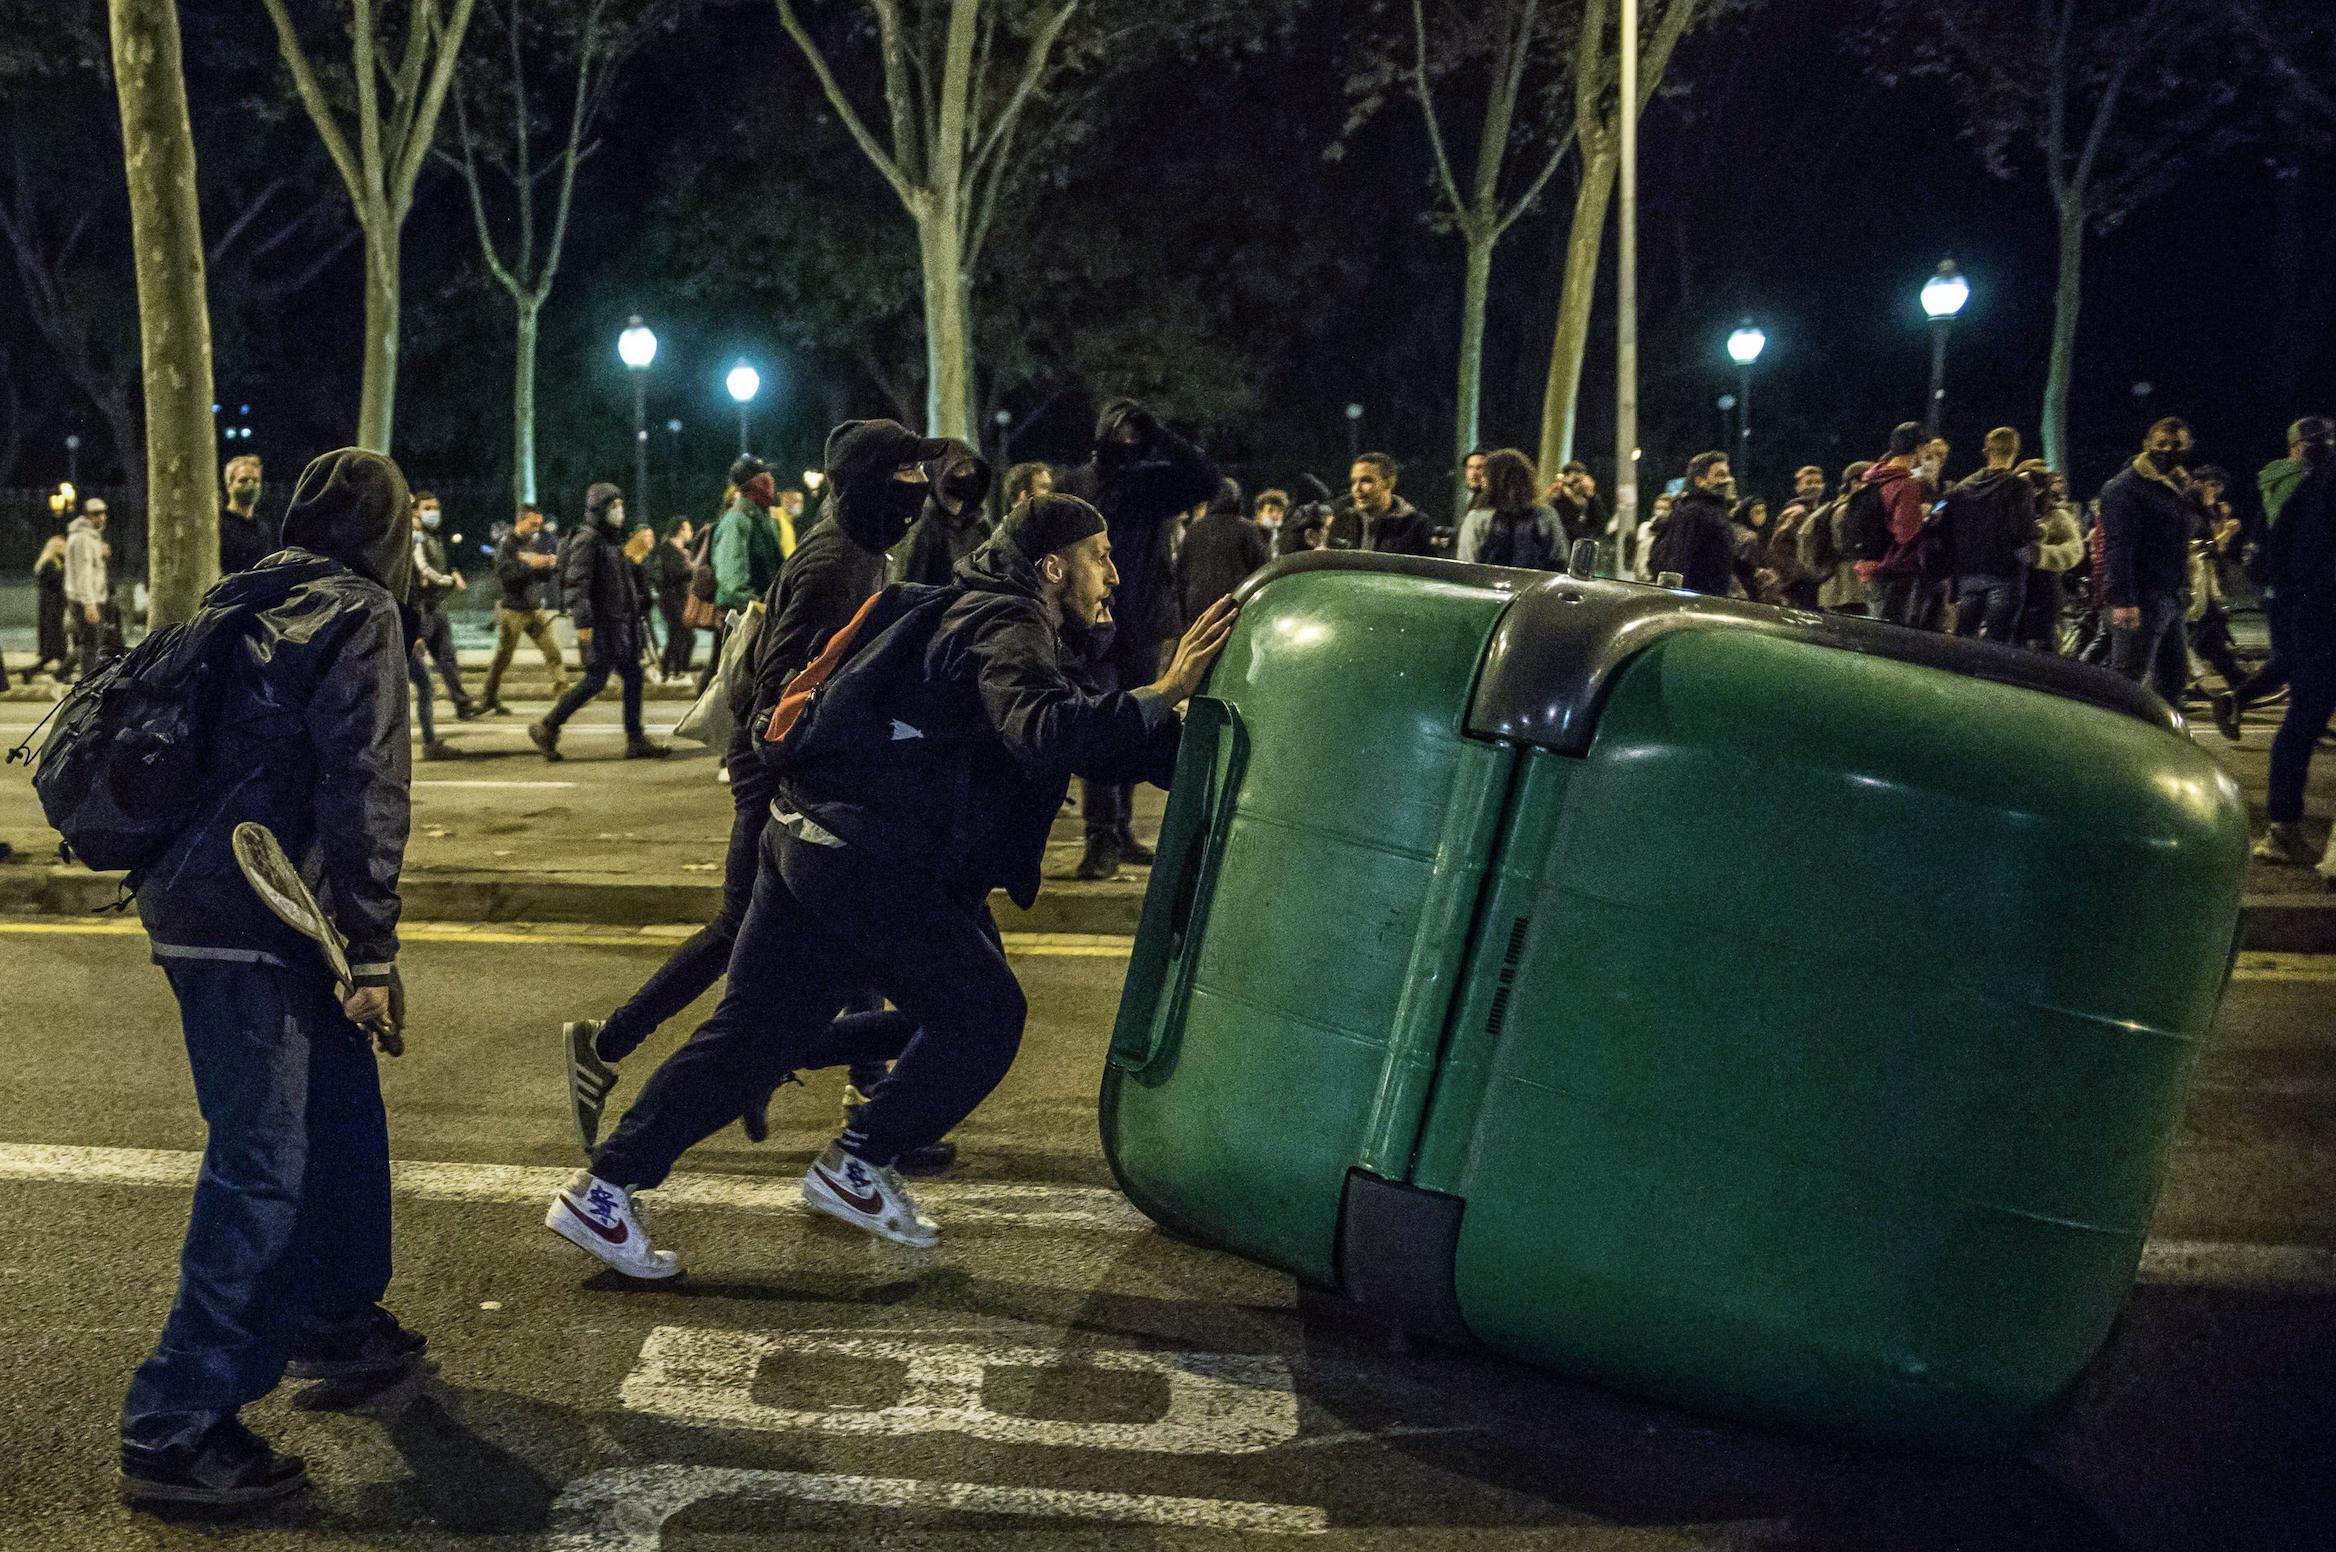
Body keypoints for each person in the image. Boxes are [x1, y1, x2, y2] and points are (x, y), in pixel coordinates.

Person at [548, 495, 1239, 1266]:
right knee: (985, 1017)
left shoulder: (990, 613)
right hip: (862, 856)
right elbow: (1045, 731)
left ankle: (601, 1192)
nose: (1113, 575)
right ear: (1053, 567)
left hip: (808, 835)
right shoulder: (1009, 624)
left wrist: (1197, 748)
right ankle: (858, 1163)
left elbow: (1081, 726)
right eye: (1100, 557)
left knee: (755, 1037)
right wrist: (1166, 690)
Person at [119, 447, 422, 1514]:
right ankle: (176, 1424)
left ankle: (332, 1314)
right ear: (388, 536)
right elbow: (365, 785)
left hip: (206, 897)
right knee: (260, 1163)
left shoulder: (244, 596)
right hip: (261, 916)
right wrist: (374, 954)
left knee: (339, 1110)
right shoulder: (360, 613)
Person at [559, 421, 961, 1163]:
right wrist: (813, 778)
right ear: (870, 484)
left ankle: (844, 1091)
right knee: (752, 932)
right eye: (907, 474)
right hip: (779, 774)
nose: (920, 489)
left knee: (839, 937)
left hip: (803, 776)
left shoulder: (862, 552)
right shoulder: (835, 564)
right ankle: (621, 1054)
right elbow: (778, 688)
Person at [1058, 397, 1219, 880]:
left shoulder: (1151, 483)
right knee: (1101, 724)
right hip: (1093, 622)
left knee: (1136, 722)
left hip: (1143, 623)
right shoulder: (1077, 484)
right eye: (1122, 431)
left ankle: (1121, 831)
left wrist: (1161, 435)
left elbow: (1207, 479)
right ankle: (1100, 837)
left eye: (1136, 433)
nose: (1128, 441)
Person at [530, 483, 669, 761]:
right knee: (596, 680)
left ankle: (635, 739)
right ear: (600, 509)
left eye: (621, 505)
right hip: (602, 626)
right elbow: (577, 585)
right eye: (614, 506)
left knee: (632, 676)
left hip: (619, 625)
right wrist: (584, 625)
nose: (620, 511)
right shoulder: (588, 540)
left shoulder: (612, 541)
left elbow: (620, 583)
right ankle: (548, 726)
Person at [2253, 420, 2336, 864]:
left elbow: (2275, 552)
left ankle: (2282, 828)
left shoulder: (2302, 489)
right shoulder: (2314, 487)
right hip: (2320, 616)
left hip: (2308, 618)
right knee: (2303, 722)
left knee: (2302, 722)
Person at [2099, 417, 2197, 704]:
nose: (2168, 450)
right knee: (2126, 683)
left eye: (2177, 445)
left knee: (2173, 679)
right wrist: (2123, 601)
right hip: (2142, 599)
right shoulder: (2125, 487)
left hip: (2171, 596)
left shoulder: (2174, 487)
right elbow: (2118, 547)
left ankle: (2156, 732)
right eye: (2161, 444)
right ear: (2146, 444)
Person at [1940, 427, 2036, 643]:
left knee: (1965, 640)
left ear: (1986, 451)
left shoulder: (1961, 490)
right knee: (1997, 644)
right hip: (2005, 576)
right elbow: (2021, 532)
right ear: (2014, 452)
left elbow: (1945, 529)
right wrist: (2029, 561)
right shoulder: (2019, 487)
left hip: (1968, 576)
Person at [479, 504, 568, 714]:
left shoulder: (531, 542)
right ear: (520, 520)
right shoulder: (507, 544)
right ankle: (488, 697)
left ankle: (565, 695)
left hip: (534, 608)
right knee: (503, 658)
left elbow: (539, 576)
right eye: (533, 524)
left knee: (553, 652)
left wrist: (548, 566)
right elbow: (506, 575)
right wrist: (532, 565)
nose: (537, 529)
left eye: (539, 524)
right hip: (513, 610)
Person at [1851, 423, 1932, 625]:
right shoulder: (1905, 485)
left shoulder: (1873, 478)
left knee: (1872, 628)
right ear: (1919, 448)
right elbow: (1906, 535)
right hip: (1893, 572)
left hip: (1868, 566)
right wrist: (1923, 518)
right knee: (1888, 635)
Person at [408, 491, 478, 723]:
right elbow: (423, 570)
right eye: (427, 508)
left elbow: (443, 565)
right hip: (421, 608)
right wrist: (448, 580)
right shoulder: (415, 538)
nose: (433, 512)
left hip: (436, 606)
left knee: (447, 657)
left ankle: (462, 703)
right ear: (415, 512)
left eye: (435, 508)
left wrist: (453, 573)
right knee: (412, 662)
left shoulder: (435, 537)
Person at [894, 447, 996, 587]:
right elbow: (910, 581)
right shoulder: (924, 524)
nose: (967, 475)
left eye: (971, 469)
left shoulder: (979, 525)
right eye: (960, 469)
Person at [1178, 475, 1272, 620]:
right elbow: (1262, 570)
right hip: (1234, 605)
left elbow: (1181, 575)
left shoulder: (1194, 530)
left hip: (1197, 609)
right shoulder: (1246, 529)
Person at [1648, 452, 1739, 596]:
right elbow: (1678, 561)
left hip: (1709, 598)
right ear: (1700, 481)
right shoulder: (1693, 513)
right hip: (1698, 599)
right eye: (1720, 475)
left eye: (1727, 474)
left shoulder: (1715, 511)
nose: (1728, 480)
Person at [1455, 449, 1563, 569]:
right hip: (1536, 580)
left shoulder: (1477, 518)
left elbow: (1466, 564)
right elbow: (1560, 558)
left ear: (1491, 480)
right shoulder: (1546, 514)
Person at [2018, 462, 2085, 652]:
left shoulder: (2057, 516)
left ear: (2040, 489)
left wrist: (2041, 554)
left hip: (2044, 588)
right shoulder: (2009, 513)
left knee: (2043, 645)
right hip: (2012, 586)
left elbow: (2075, 550)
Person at [1328, 452, 1433, 556]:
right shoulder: (1338, 518)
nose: (1356, 489)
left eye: (1366, 481)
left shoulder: (1415, 525)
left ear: (1388, 483)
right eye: (1353, 481)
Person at [1797, 462, 1870, 612]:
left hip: (1834, 590)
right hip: (1850, 591)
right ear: (1855, 483)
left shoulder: (1827, 508)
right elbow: (1849, 548)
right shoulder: (1848, 510)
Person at [64, 496, 110, 680]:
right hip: (87, 600)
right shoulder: (83, 539)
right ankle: (88, 683)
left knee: (90, 643)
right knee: (90, 646)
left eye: (104, 513)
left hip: (88, 598)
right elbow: (84, 574)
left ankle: (64, 674)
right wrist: (89, 604)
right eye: (97, 514)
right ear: (88, 516)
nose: (102, 517)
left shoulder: (88, 536)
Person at [648, 519, 699, 680]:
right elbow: (672, 575)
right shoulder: (666, 551)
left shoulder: (681, 552)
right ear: (680, 531)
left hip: (680, 599)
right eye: (688, 529)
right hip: (670, 599)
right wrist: (692, 570)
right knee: (683, 635)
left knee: (680, 636)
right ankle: (674, 671)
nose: (691, 532)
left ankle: (673, 671)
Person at [25, 527, 70, 682]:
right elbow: (56, 584)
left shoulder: (54, 563)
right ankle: (61, 673)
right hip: (51, 608)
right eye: (62, 546)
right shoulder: (49, 564)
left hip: (53, 607)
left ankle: (54, 672)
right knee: (56, 644)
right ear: (55, 547)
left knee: (55, 647)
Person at [218, 454, 275, 576]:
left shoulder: (262, 528)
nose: (250, 485)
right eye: (243, 480)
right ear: (229, 485)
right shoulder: (219, 525)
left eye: (255, 480)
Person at [1550, 460, 1609, 553]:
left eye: (1581, 480)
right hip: (1563, 550)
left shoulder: (1589, 501)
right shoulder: (1558, 500)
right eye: (1575, 481)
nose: (1579, 484)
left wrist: (1591, 495)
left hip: (1582, 551)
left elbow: (1601, 524)